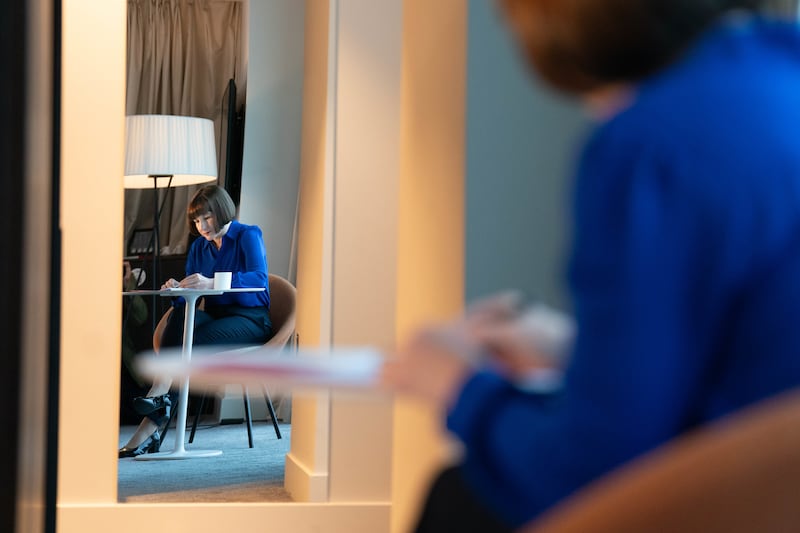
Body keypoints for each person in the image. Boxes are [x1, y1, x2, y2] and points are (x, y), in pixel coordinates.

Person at [382, 0, 800, 531]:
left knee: (458, 499)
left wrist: (456, 385)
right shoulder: (783, 73)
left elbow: (588, 468)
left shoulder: (651, 147)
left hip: (729, 501)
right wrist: (577, 350)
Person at [119, 184, 273, 458]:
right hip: (217, 319)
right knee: (179, 317)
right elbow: (190, 292)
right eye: (197, 220)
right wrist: (177, 289)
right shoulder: (200, 248)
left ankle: (154, 410)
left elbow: (259, 281)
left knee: (192, 340)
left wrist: (212, 281)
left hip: (251, 321)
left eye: (208, 217)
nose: (202, 226)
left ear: (222, 211)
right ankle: (160, 397)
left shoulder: (247, 235)